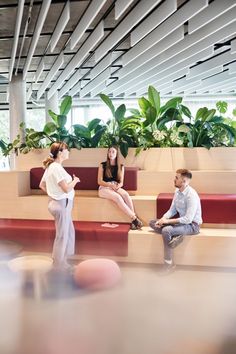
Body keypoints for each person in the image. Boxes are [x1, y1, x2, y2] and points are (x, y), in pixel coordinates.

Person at [149, 169, 202, 272]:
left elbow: (188, 219)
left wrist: (167, 222)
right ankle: (176, 236)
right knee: (152, 222)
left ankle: (169, 264)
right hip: (182, 224)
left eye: (177, 178)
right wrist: (163, 219)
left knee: (166, 230)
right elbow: (172, 210)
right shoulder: (177, 192)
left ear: (184, 181)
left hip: (192, 226)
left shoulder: (191, 195)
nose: (174, 179)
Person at [39, 142, 80, 270]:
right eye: (67, 150)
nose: (68, 152)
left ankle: (63, 262)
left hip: (59, 204)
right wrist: (75, 180)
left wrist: (52, 195)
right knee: (62, 235)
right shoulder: (56, 167)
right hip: (61, 205)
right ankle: (58, 266)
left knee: (68, 232)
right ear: (60, 153)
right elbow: (66, 189)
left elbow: (42, 185)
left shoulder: (52, 167)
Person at [97, 146, 142, 230]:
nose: (111, 154)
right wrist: (110, 185)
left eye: (113, 152)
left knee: (126, 195)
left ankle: (133, 221)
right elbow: (99, 181)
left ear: (117, 154)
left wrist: (117, 186)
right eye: (109, 152)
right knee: (118, 197)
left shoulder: (121, 166)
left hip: (115, 187)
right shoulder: (102, 165)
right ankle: (134, 218)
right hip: (104, 188)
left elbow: (121, 182)